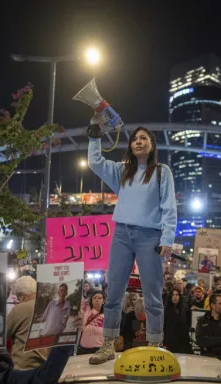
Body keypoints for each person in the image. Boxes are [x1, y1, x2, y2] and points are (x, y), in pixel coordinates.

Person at [86, 122, 177, 365]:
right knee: (113, 291)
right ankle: (107, 345)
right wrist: (95, 137)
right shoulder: (122, 171)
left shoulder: (161, 172)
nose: (138, 141)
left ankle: (155, 344)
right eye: (135, 138)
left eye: (143, 138)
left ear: (151, 145)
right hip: (122, 235)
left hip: (150, 236)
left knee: (152, 293)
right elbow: (95, 163)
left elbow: (169, 207)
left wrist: (167, 238)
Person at [6, 276, 50, 370]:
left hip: (23, 368)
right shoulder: (49, 305)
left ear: (22, 296)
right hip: (45, 366)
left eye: (18, 297)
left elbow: (3, 335)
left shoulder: (19, 309)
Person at [163, 289, 192, 353]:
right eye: (173, 295)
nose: (175, 297)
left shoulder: (184, 309)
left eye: (177, 295)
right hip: (170, 342)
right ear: (170, 297)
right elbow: (164, 327)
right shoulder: (166, 310)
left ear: (179, 297)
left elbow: (186, 324)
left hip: (182, 341)